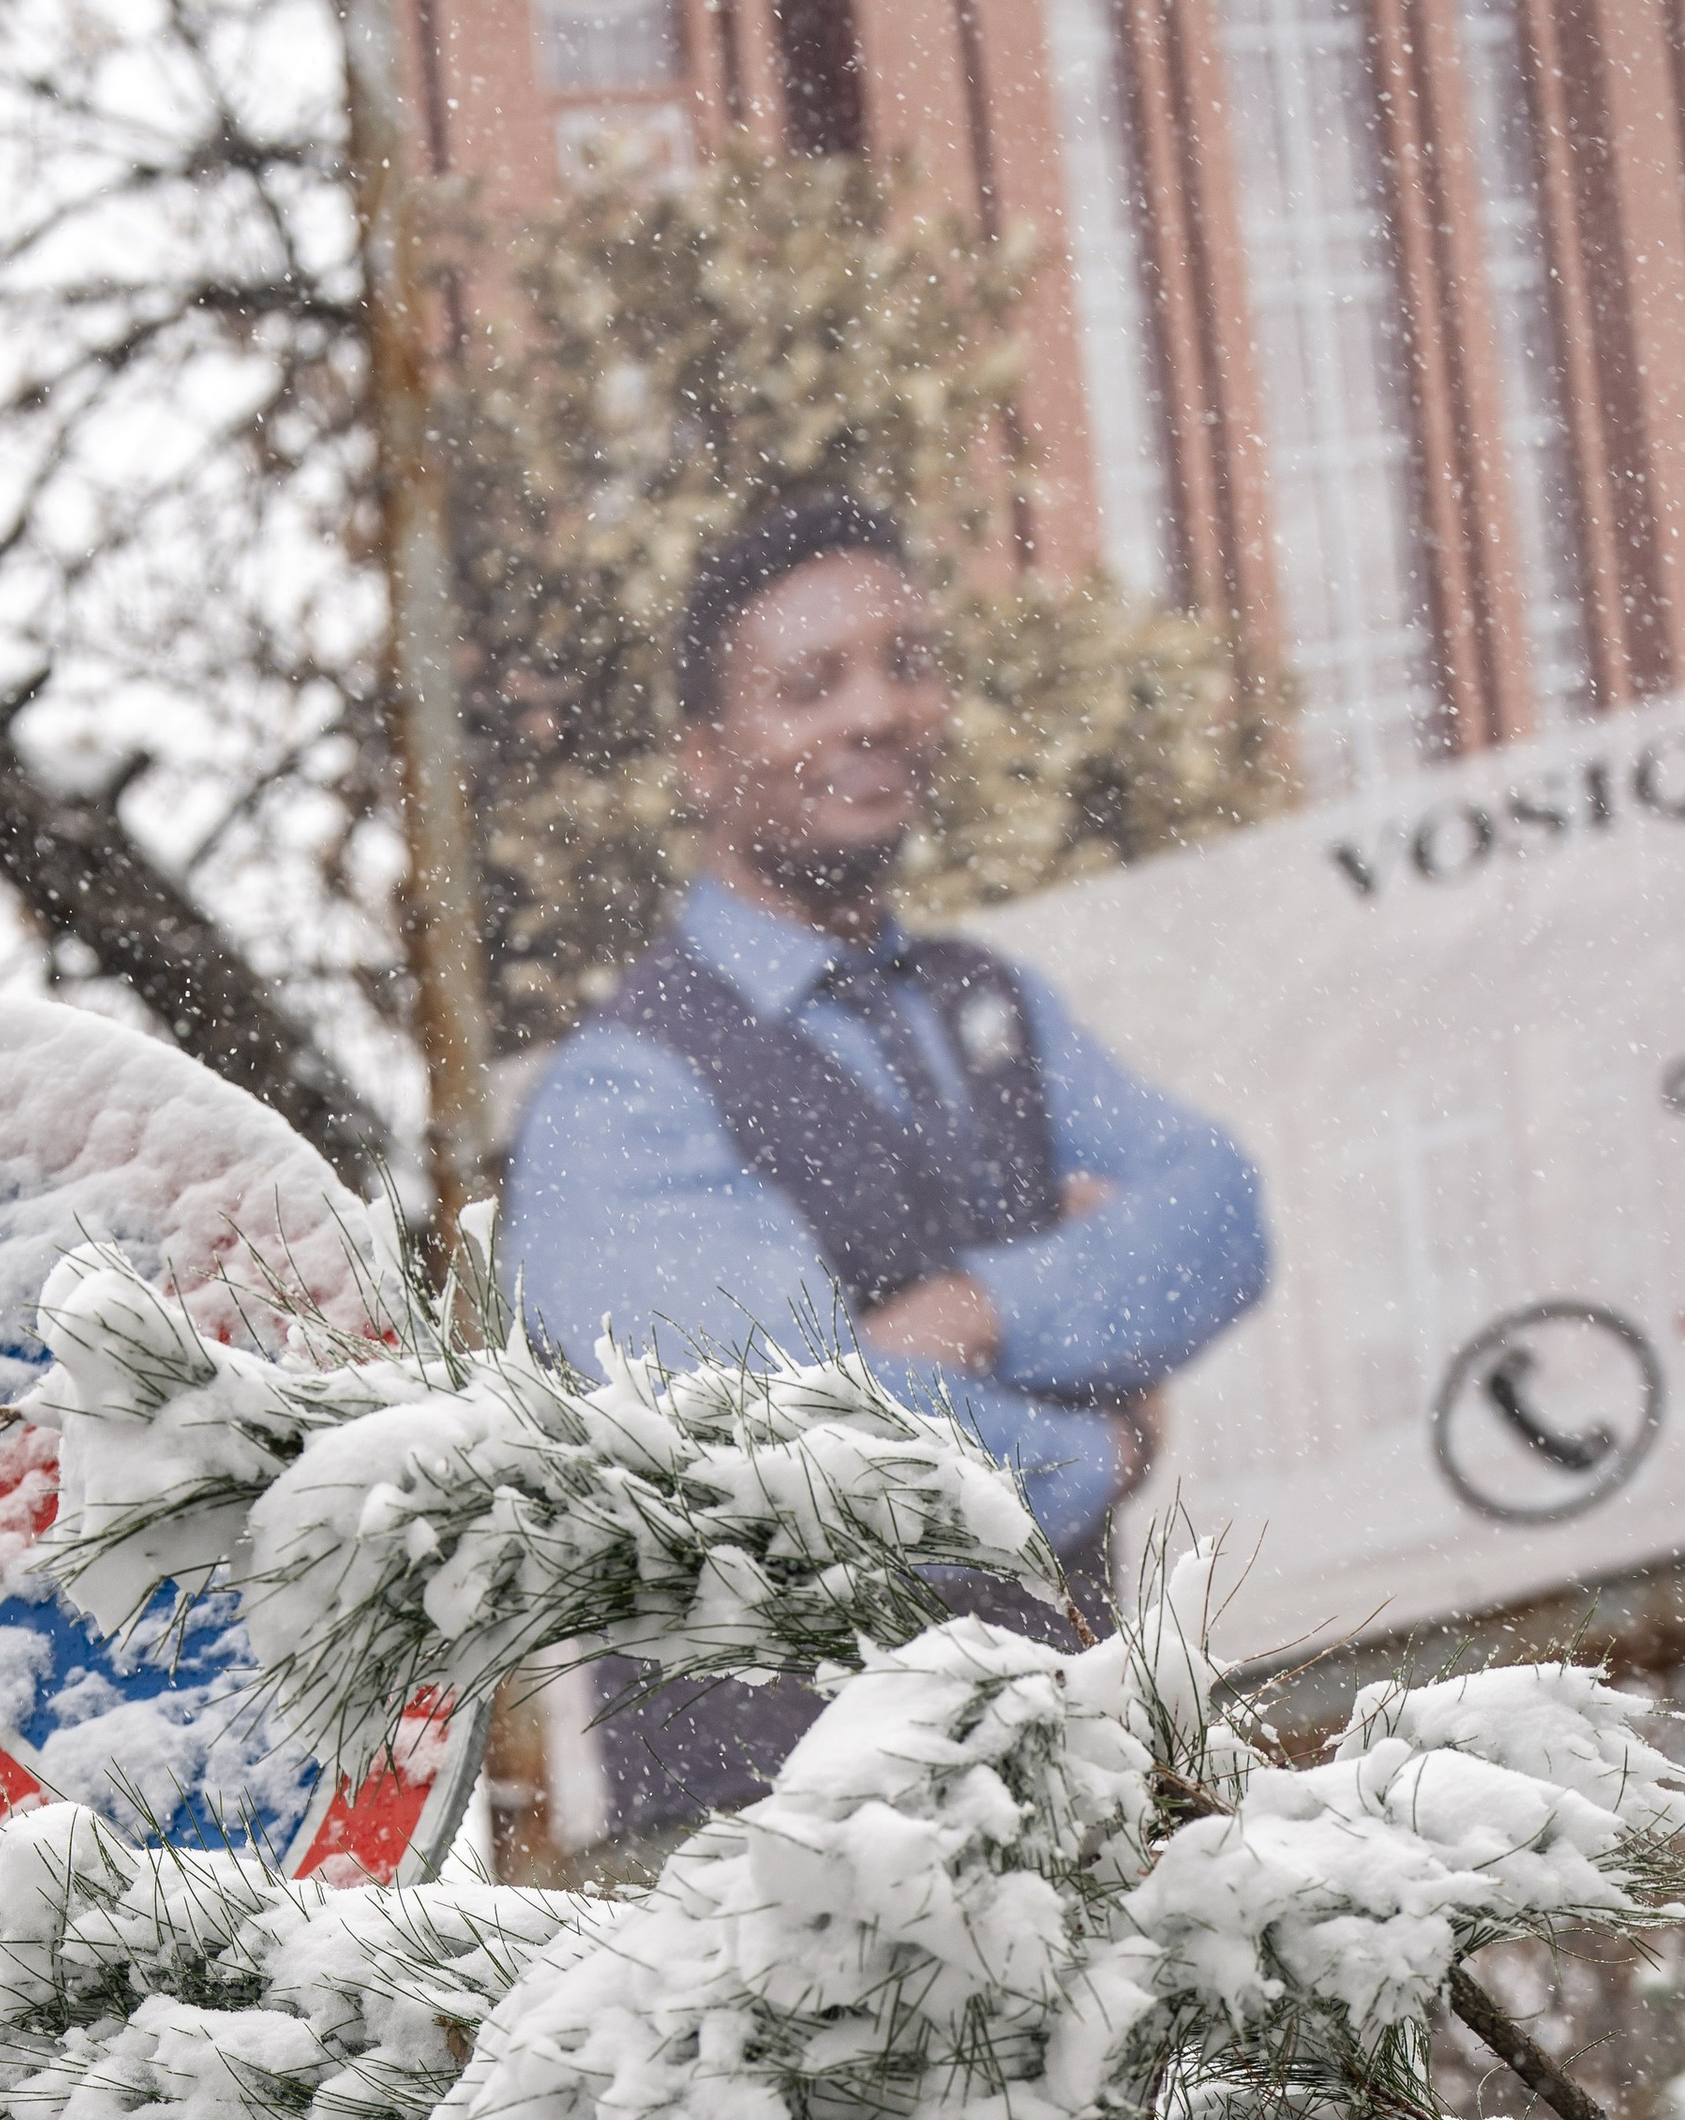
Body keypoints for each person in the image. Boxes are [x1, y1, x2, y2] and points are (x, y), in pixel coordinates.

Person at [502, 491, 1269, 1872]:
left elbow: (1218, 1214)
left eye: (904, 664)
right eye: (809, 685)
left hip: (1059, 1806)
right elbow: (818, 1455)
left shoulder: (993, 1004)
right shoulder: (619, 1099)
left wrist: (982, 1311)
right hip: (774, 1866)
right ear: (699, 758)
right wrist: (1104, 1443)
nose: (876, 713)